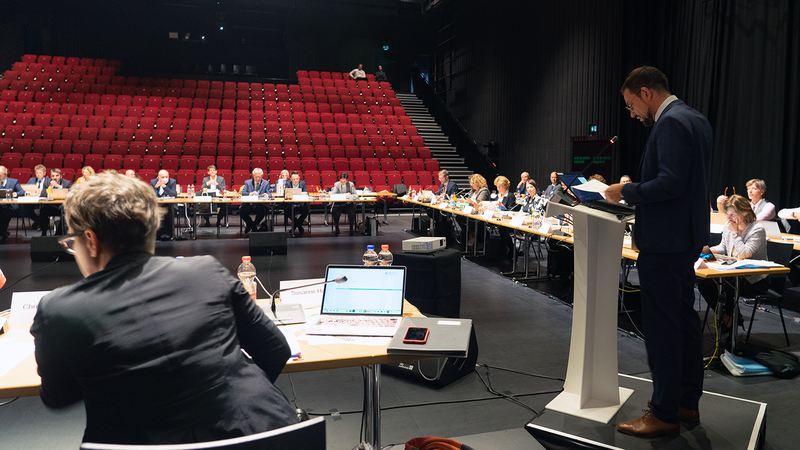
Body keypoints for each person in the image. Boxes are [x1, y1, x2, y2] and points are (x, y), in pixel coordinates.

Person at [30, 172, 298, 445]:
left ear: (90, 241)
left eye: (72, 243)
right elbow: (275, 350)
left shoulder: (60, 310)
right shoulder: (207, 271)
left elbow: (57, 396)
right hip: (266, 434)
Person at [605, 65, 712, 438]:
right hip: (684, 239)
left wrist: (625, 191)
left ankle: (665, 412)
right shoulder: (697, 120)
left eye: (631, 104)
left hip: (664, 242)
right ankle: (686, 402)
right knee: (683, 321)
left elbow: (670, 183)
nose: (632, 113)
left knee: (662, 328)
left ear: (646, 93)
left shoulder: (670, 123)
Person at [698, 195, 768, 344]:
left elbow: (744, 254)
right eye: (727, 214)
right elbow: (723, 247)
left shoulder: (757, 230)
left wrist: (735, 233)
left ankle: (730, 321)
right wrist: (708, 250)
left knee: (729, 285)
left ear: (744, 212)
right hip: (734, 274)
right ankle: (729, 316)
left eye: (733, 214)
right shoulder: (728, 226)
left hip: (755, 279)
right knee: (705, 284)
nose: (729, 218)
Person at [39, 169, 72, 236]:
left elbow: (70, 193)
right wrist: (50, 187)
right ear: (50, 177)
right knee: (43, 211)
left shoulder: (67, 183)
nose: (55, 177)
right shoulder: (47, 183)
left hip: (63, 206)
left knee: (65, 213)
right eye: (53, 176)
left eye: (57, 175)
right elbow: (42, 195)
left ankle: (58, 234)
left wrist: (59, 187)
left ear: (61, 176)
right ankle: (43, 233)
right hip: (52, 206)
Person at [0, 165, 27, 243]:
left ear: (5, 174)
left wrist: (15, 194)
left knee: (5, 213)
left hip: (10, 206)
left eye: (0, 175)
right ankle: (3, 232)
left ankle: (3, 232)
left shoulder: (14, 181)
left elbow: (22, 192)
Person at [240, 168, 272, 234]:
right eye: (256, 177)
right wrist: (250, 194)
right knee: (242, 211)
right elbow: (243, 192)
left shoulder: (266, 183)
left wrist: (267, 195)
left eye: (259, 177)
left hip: (260, 205)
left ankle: (252, 225)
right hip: (249, 204)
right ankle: (253, 226)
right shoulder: (247, 182)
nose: (257, 178)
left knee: (263, 210)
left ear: (262, 176)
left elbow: (269, 193)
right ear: (253, 176)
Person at [150, 170, 177, 240]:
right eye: (163, 177)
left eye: (166, 177)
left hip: (170, 205)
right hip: (158, 205)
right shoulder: (153, 182)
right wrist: (156, 188)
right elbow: (151, 195)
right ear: (158, 177)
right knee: (154, 213)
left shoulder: (172, 181)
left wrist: (165, 187)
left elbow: (173, 194)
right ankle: (157, 234)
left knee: (168, 212)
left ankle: (168, 234)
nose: (165, 178)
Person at [25, 164, 51, 230]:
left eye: (40, 173)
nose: (38, 174)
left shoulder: (49, 181)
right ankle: (38, 220)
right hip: (33, 199)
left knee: (44, 209)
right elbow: (26, 189)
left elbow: (51, 192)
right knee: (25, 207)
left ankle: (41, 223)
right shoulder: (32, 180)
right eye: (37, 173)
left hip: (45, 200)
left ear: (44, 173)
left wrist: (42, 192)